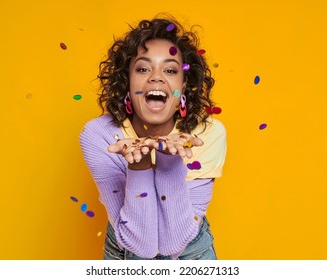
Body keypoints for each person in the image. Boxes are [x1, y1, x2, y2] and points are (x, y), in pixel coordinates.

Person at [79, 15, 227, 260]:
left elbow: (174, 244)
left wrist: (168, 162)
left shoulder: (207, 133)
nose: (156, 77)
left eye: (170, 70)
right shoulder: (101, 135)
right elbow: (143, 247)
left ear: (184, 83)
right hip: (124, 253)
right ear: (127, 81)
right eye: (143, 68)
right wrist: (139, 165)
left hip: (192, 254)